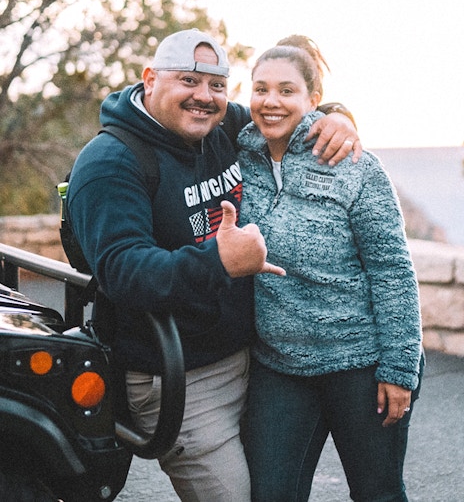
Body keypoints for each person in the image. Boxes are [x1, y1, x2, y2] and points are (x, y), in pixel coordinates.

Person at [66, 29, 360, 502]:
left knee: (276, 491)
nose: (204, 97)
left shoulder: (223, 129)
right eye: (188, 80)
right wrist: (220, 261)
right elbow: (123, 273)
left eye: (216, 85)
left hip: (254, 359)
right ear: (150, 79)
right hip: (180, 376)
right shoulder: (110, 162)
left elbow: (284, 115)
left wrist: (336, 117)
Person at [238, 39, 423, 502]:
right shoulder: (237, 156)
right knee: (270, 495)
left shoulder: (353, 164)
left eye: (286, 90)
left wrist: (399, 369)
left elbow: (391, 268)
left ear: (312, 99)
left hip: (360, 365)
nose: (271, 101)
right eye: (260, 89)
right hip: (279, 367)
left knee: (378, 493)